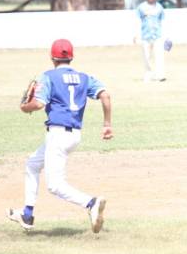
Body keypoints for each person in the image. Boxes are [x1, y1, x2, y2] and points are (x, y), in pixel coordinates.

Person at [7, 38, 114, 232]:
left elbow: (38, 104)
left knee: (55, 185)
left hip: (58, 134)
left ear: (52, 57)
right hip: (73, 135)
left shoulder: (48, 77)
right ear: (71, 57)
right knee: (32, 164)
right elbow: (105, 95)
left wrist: (24, 107)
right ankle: (27, 214)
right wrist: (107, 124)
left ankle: (91, 203)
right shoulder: (84, 77)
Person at [136, 0, 166, 82]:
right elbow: (138, 21)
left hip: (157, 35)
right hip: (145, 36)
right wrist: (136, 34)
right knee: (147, 57)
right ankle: (148, 75)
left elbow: (162, 21)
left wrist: (165, 35)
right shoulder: (141, 7)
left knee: (159, 56)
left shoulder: (159, 7)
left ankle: (159, 75)